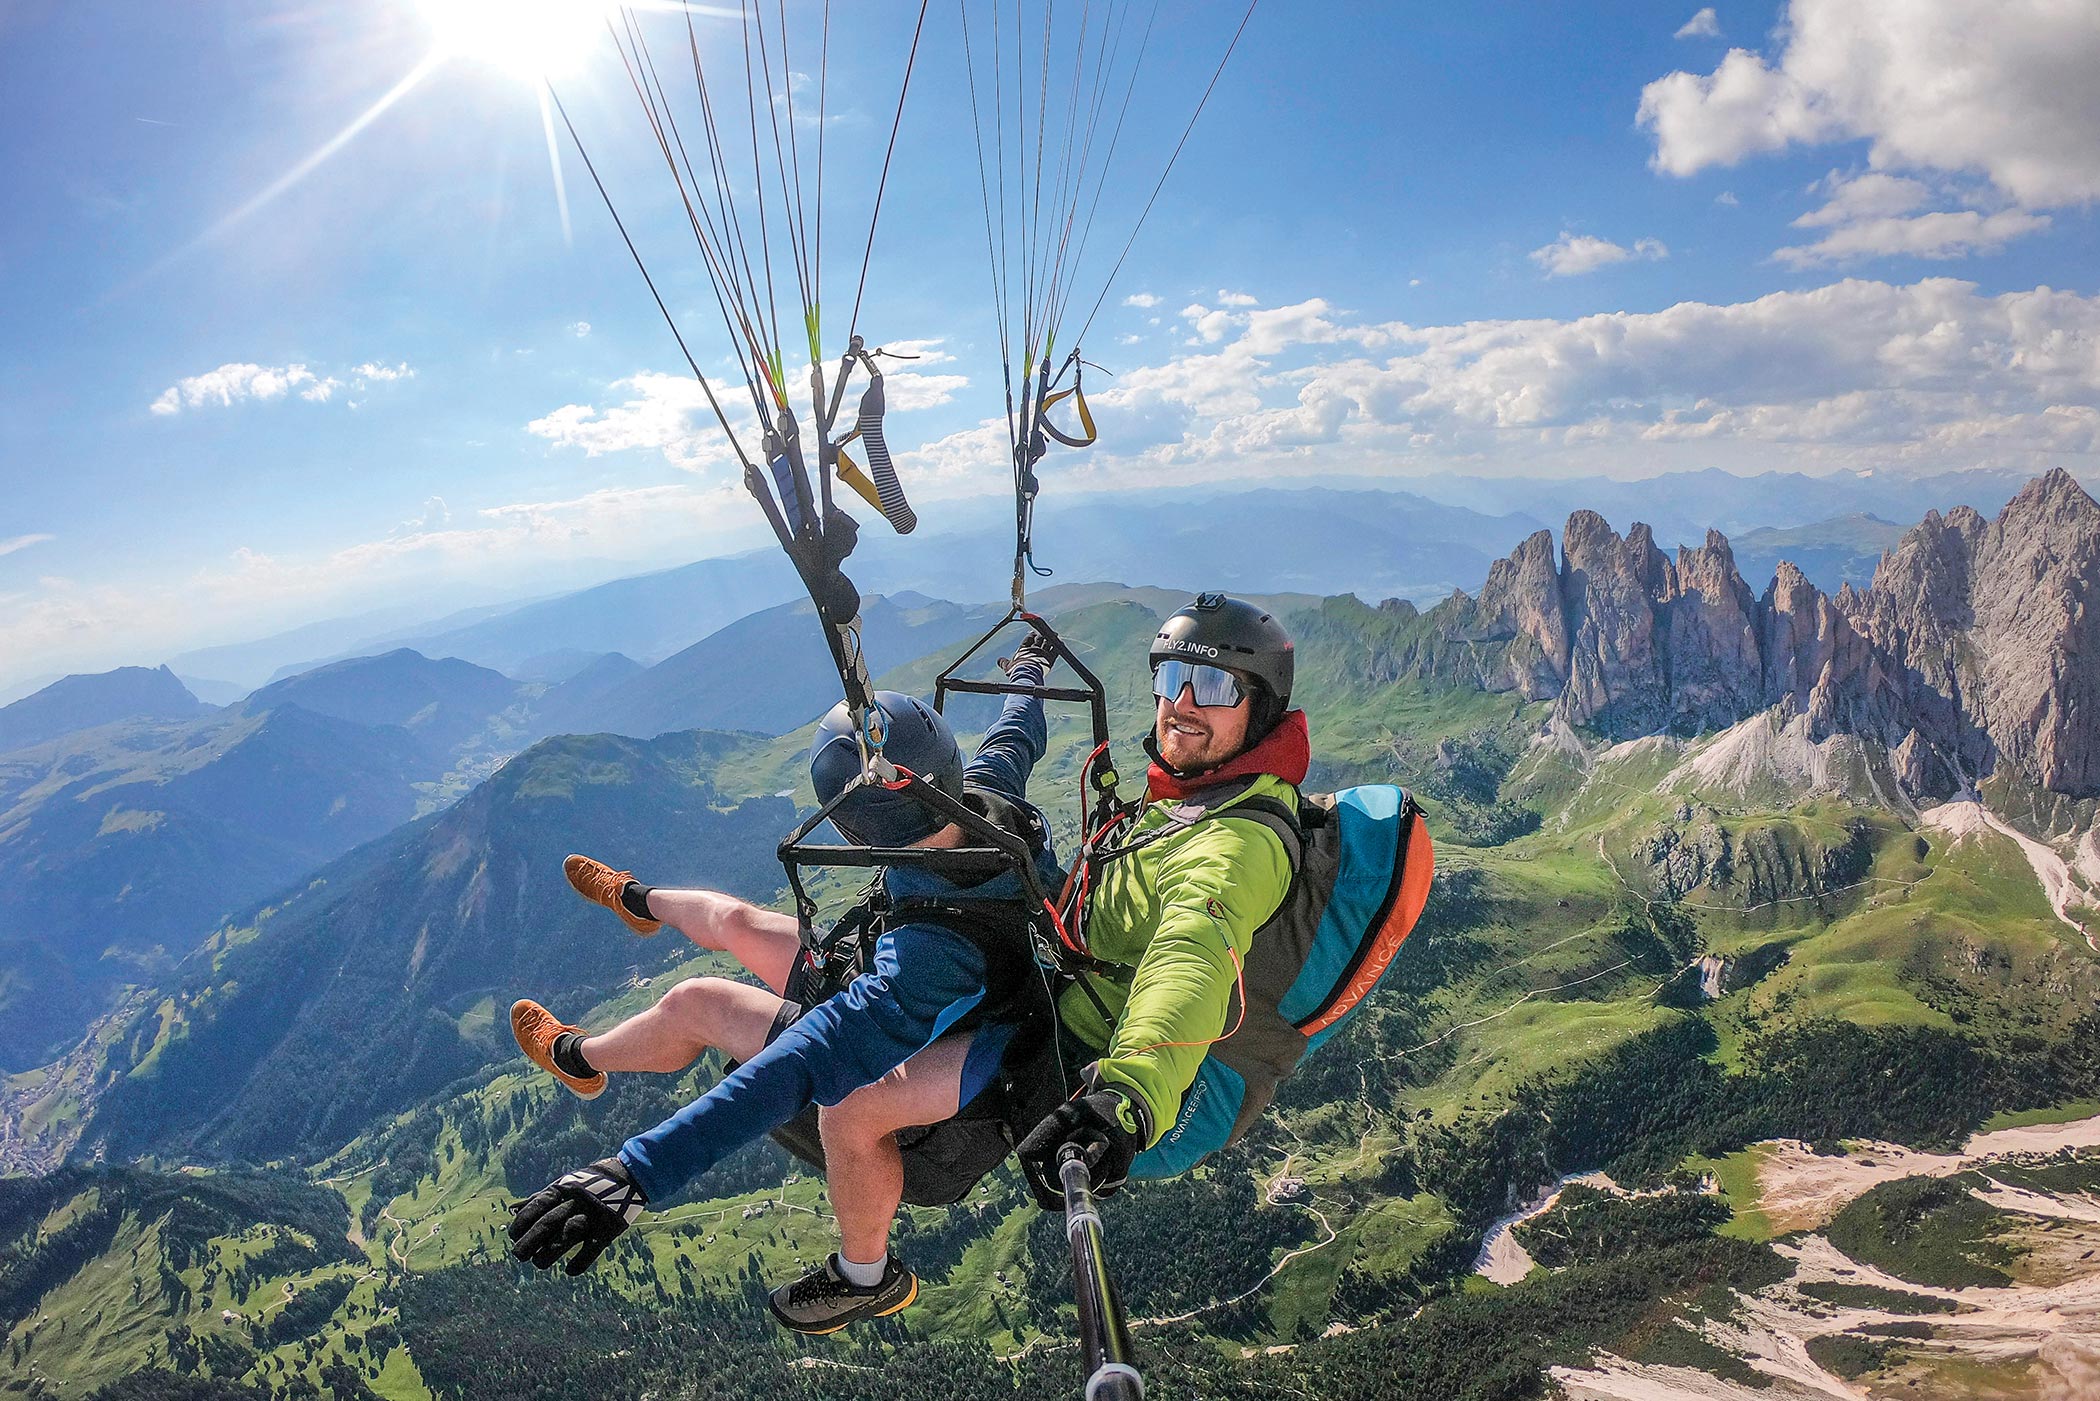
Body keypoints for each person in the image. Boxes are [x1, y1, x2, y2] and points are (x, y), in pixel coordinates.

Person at [506, 639, 1063, 1334]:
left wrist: (636, 1172)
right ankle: (637, 898)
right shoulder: (985, 801)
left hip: (969, 1058)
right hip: (946, 993)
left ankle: (866, 1273)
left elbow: (801, 1063)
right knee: (736, 920)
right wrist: (1031, 671)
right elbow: (1015, 735)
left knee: (709, 1011)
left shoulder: (927, 958)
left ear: (859, 827)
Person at [1013, 593, 1305, 1204]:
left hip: (1068, 1043)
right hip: (1062, 954)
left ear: (1262, 710)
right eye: (1173, 678)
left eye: (1216, 686)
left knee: (872, 1086)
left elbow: (1192, 954)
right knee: (986, 811)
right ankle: (1025, 677)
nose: (1183, 704)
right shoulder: (1202, 790)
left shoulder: (1238, 842)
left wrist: (1126, 1100)